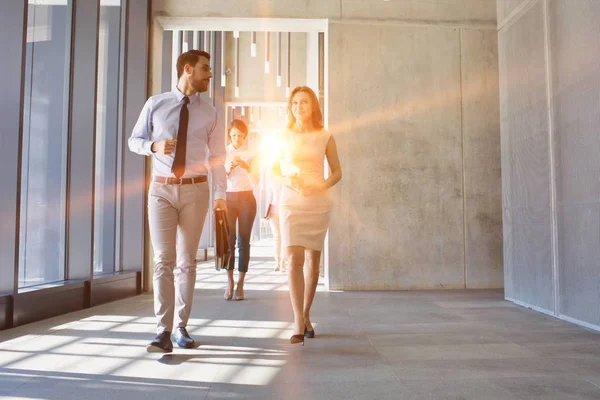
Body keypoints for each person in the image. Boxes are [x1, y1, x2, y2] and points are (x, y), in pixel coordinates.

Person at [128, 50, 227, 353]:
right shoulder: (156, 104)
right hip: (161, 190)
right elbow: (134, 140)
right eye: (205, 69)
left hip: (195, 191)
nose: (209, 74)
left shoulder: (209, 111)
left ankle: (181, 327)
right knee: (163, 260)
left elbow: (219, 158)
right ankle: (162, 330)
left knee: (187, 261)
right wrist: (153, 145)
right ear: (188, 69)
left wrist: (221, 195)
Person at [274, 86, 342, 345]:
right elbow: (273, 170)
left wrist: (321, 185)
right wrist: (288, 182)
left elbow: (337, 172)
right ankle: (297, 322)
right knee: (293, 260)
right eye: (294, 103)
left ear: (313, 105)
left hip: (318, 201)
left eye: (303, 102)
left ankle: (305, 314)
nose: (298, 107)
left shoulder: (325, 136)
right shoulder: (283, 135)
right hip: (290, 201)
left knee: (313, 261)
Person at [224, 119, 258, 301]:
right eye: (234, 135)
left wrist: (247, 167)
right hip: (228, 198)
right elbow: (218, 178)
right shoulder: (223, 151)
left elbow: (258, 178)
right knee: (228, 242)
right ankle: (229, 281)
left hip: (246, 198)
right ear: (230, 134)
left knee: (244, 241)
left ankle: (241, 283)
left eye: (240, 136)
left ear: (245, 136)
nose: (237, 139)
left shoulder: (251, 153)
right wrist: (228, 169)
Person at [264, 169, 285, 273]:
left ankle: (279, 263)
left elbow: (269, 194)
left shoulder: (272, 176)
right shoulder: (286, 175)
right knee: (281, 237)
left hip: (278, 209)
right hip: (279, 209)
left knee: (278, 237)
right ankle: (280, 263)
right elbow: (269, 194)